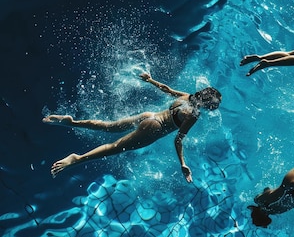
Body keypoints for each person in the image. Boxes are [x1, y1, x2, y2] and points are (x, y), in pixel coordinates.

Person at [43, 72, 222, 182]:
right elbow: (178, 140)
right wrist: (183, 163)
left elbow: (167, 90)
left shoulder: (186, 97)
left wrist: (150, 80)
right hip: (155, 128)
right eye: (214, 105)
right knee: (113, 148)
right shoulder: (193, 115)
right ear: (206, 103)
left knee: (109, 127)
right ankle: (77, 159)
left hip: (149, 116)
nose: (214, 107)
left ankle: (72, 122)